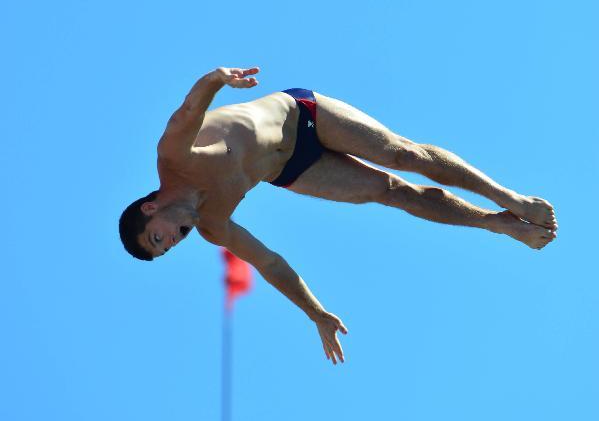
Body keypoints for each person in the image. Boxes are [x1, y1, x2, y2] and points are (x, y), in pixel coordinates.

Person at [119, 67, 557, 364]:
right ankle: (496, 224)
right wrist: (316, 313)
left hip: (303, 115)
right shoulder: (212, 225)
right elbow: (269, 263)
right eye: (165, 250)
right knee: (390, 192)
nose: (172, 244)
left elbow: (188, 112)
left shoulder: (173, 157)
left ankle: (512, 199)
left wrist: (217, 78)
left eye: (157, 239)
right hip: (291, 169)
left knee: (402, 154)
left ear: (149, 208)